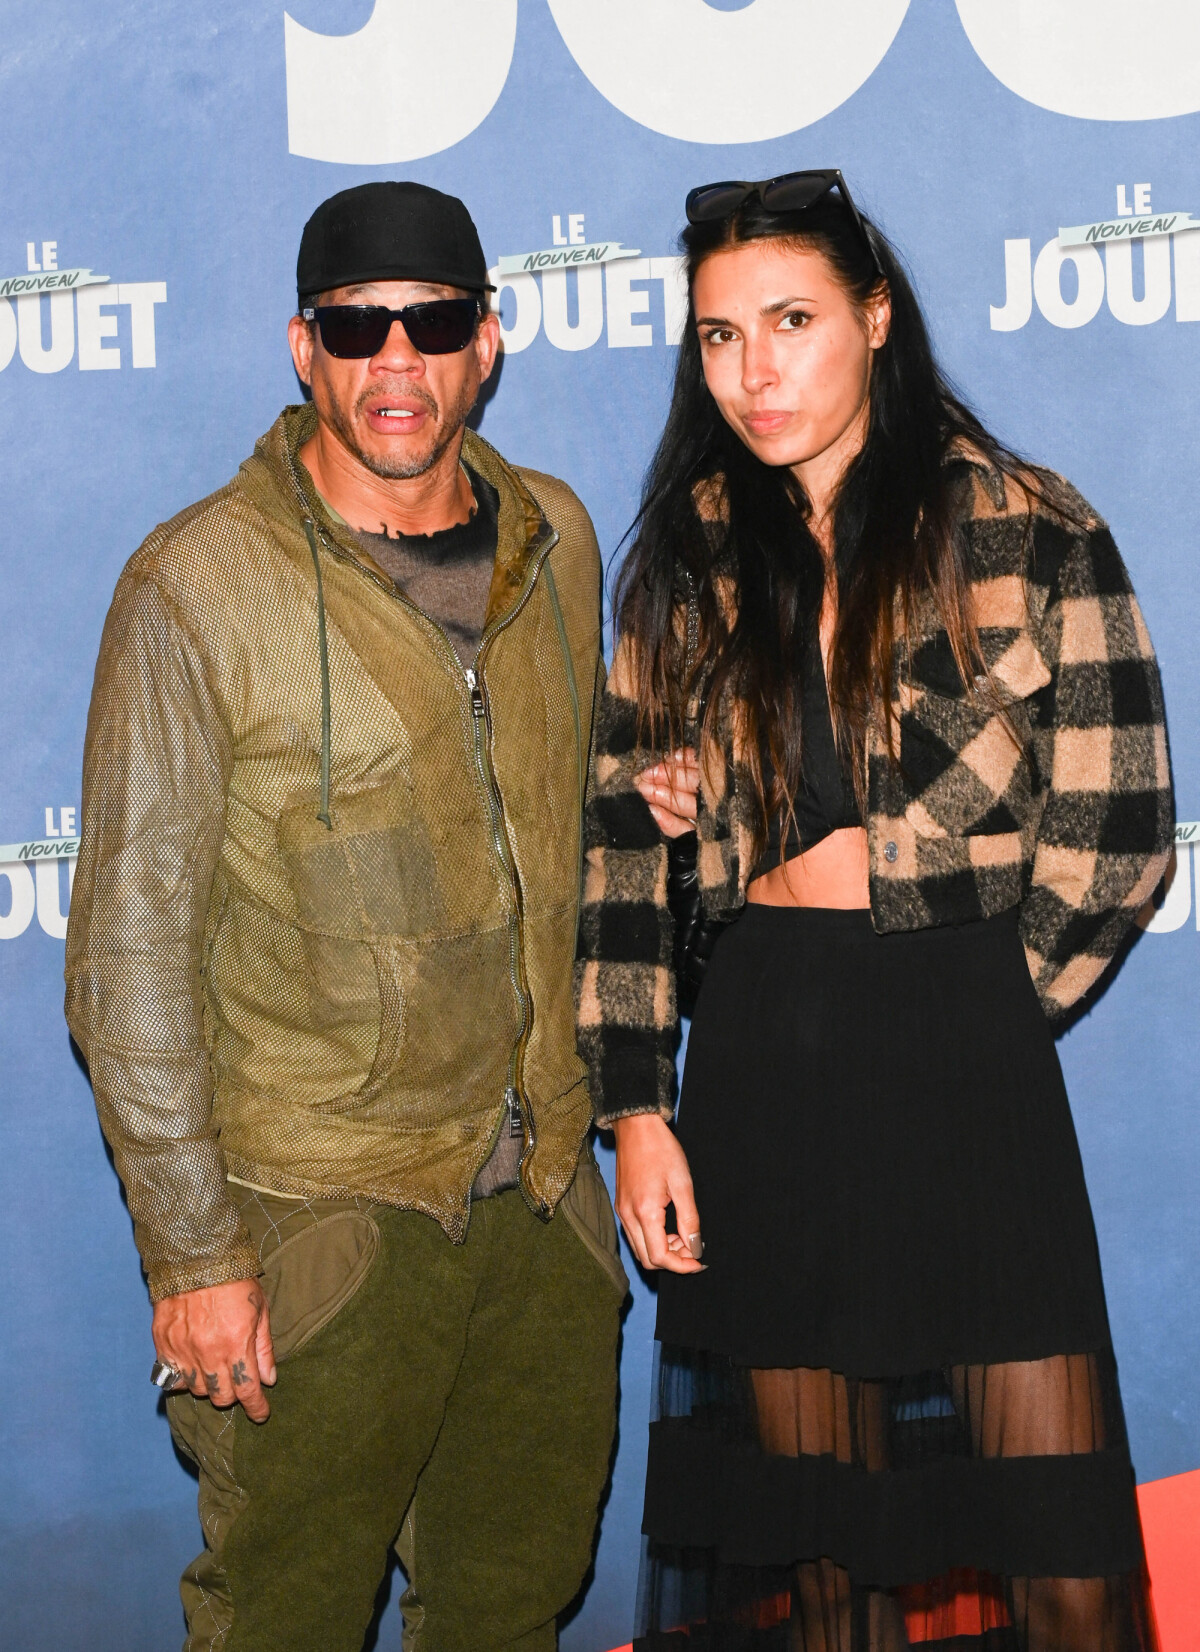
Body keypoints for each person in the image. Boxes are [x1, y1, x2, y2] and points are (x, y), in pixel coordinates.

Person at [576, 170, 1172, 1649]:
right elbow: (624, 854)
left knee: (1058, 1544)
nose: (753, 370)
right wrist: (639, 1105)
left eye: (789, 321)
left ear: (878, 318)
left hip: (963, 1048)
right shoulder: (694, 559)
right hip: (766, 1053)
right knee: (815, 1552)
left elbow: (1123, 825)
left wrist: (972, 1000)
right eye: (717, 336)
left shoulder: (1029, 529)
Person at [65, 180, 627, 1652]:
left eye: (431, 323)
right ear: (301, 350)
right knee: (287, 1622)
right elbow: (128, 957)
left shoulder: (558, 541)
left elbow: (579, 839)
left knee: (512, 1609)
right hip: (323, 1220)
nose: (396, 361)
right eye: (356, 327)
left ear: (487, 343)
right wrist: (196, 1259)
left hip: (547, 1206)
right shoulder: (195, 585)